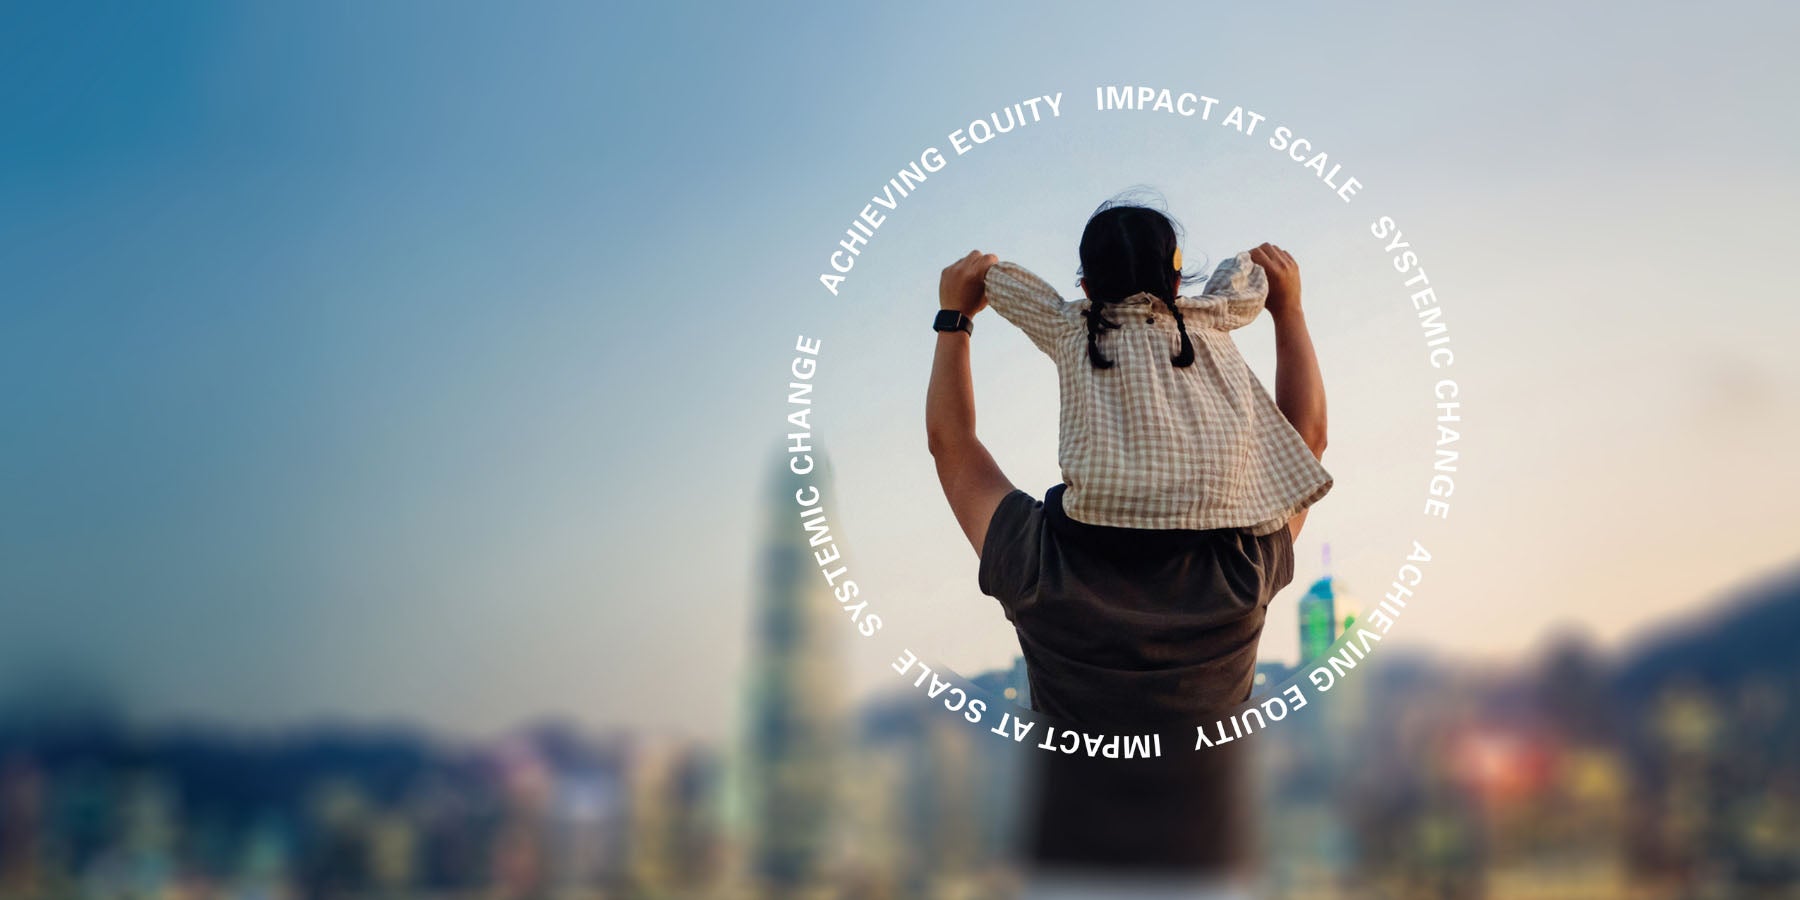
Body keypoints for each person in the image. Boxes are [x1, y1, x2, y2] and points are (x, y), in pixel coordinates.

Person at [923, 197, 1332, 888]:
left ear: (1084, 289)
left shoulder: (1038, 560)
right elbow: (1305, 443)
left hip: (1071, 874)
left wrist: (953, 320)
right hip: (1207, 873)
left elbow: (952, 448)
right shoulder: (1242, 565)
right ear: (1179, 285)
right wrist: (1288, 311)